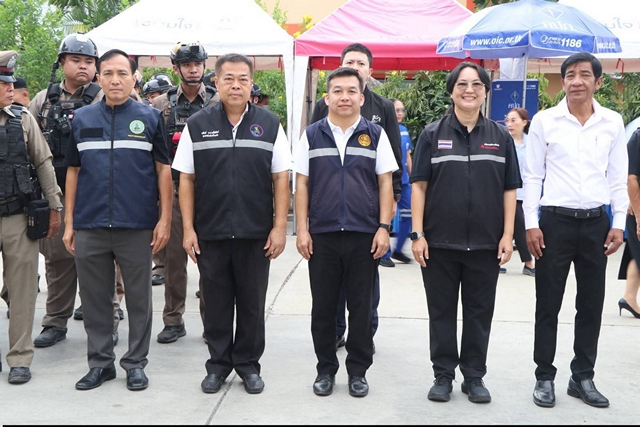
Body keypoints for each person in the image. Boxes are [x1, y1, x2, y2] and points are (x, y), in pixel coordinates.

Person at [173, 53, 290, 395]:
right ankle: (218, 365)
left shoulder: (270, 124)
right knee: (216, 304)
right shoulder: (198, 124)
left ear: (251, 84)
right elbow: (186, 179)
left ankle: (248, 365)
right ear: (216, 82)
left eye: (242, 79)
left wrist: (278, 228)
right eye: (228, 79)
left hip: (256, 233)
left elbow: (281, 178)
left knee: (252, 304)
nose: (236, 85)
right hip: (211, 232)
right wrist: (189, 229)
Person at [411, 62, 521, 404]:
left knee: (479, 312)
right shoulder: (431, 135)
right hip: (439, 243)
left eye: (476, 84)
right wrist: (417, 234)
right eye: (462, 84)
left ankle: (474, 376)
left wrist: (507, 235)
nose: (469, 90)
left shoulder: (501, 137)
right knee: (441, 312)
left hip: (486, 244)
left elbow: (510, 190)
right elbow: (419, 186)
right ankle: (443, 375)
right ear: (451, 91)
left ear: (486, 91)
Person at [63, 49, 172, 391]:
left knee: (139, 299)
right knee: (95, 299)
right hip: (90, 222)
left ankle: (135, 363)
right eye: (108, 73)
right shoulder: (82, 119)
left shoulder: (150, 118)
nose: (114, 80)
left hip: (136, 224)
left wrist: (165, 219)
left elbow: (163, 170)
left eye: (122, 73)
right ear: (98, 77)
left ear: (133, 78)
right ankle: (100, 363)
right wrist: (69, 222)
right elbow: (73, 172)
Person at [524, 52, 628, 409]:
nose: (576, 81)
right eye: (570, 75)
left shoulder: (612, 122)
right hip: (554, 223)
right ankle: (544, 376)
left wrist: (618, 224)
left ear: (598, 82)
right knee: (547, 303)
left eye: (584, 74)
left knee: (591, 304)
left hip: (597, 224)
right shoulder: (545, 121)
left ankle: (582, 376)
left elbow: (617, 178)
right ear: (564, 81)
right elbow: (532, 176)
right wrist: (532, 224)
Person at [295, 67, 396, 398]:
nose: (344, 97)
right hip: (322, 235)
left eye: (351, 91)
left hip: (363, 235)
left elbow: (385, 183)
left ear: (361, 98)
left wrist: (383, 228)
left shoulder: (375, 135)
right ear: (327, 98)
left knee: (362, 309)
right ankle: (325, 370)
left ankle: (358, 372)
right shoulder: (312, 135)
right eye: (337, 91)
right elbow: (302, 184)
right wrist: (302, 230)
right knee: (323, 308)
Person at [309, 43, 402, 351]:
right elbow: (314, 157)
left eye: (361, 63)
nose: (355, 67)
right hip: (329, 215)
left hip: (367, 214)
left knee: (365, 287)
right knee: (330, 287)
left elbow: (392, 161)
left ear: (370, 71)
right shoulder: (325, 106)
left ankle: (364, 336)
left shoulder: (383, 107)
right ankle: (335, 331)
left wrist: (391, 204)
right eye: (350, 62)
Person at [29, 33, 103, 348]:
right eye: (76, 60)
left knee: (100, 263)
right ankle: (55, 322)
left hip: (96, 193)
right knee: (57, 260)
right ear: (62, 63)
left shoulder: (104, 97)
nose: (83, 66)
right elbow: (29, 142)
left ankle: (105, 322)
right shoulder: (42, 100)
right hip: (55, 193)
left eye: (88, 61)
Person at [0, 50, 63, 383]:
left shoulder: (23, 119)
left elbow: (43, 163)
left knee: (23, 290)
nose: (10, 88)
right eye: (3, 83)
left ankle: (20, 358)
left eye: (11, 82)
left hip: (17, 215)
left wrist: (54, 206)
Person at [151, 41, 217, 344]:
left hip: (210, 194)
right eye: (187, 65)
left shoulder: (217, 101)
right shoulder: (160, 105)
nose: (193, 70)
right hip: (175, 191)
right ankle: (173, 320)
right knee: (174, 261)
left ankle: (212, 323)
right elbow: (153, 152)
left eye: (197, 64)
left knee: (210, 263)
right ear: (176, 68)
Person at [504, 107, 535, 276]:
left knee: (520, 226)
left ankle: (527, 262)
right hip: (505, 191)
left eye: (513, 120)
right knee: (517, 226)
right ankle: (528, 262)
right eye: (507, 120)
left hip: (524, 193)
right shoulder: (503, 141)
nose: (509, 124)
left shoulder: (531, 143)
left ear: (524, 122)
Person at [382, 98, 412, 264]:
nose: (400, 113)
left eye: (402, 110)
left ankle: (398, 250)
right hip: (390, 180)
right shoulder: (384, 131)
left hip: (404, 182)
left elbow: (407, 156)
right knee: (387, 215)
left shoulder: (404, 130)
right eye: (396, 110)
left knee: (408, 215)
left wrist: (413, 177)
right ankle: (384, 254)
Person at [618, 128, 640, 319]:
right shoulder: (638, 137)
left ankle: (629, 297)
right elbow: (630, 177)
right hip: (637, 206)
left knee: (636, 252)